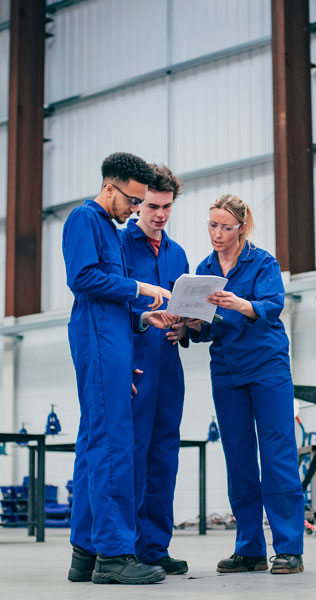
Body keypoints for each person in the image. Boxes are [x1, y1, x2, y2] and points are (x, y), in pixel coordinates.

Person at [63, 152, 178, 585]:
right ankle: (113, 555)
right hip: (96, 341)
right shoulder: (85, 219)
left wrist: (141, 317)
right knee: (113, 443)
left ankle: (85, 553)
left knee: (96, 444)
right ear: (111, 187)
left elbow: (109, 305)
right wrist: (139, 286)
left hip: (112, 338)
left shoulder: (108, 229)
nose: (135, 210)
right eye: (132, 200)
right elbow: (84, 279)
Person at [187, 193, 305, 575]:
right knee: (238, 457)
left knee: (277, 453)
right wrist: (190, 325)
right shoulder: (203, 270)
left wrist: (240, 303)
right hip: (226, 370)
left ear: (241, 227)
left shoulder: (262, 262)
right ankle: (249, 547)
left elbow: (272, 306)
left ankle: (288, 548)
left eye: (225, 227)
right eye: (212, 225)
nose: (217, 233)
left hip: (267, 367)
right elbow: (206, 327)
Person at [120, 164, 189, 575]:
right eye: (152, 206)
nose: (159, 214)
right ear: (137, 203)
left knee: (164, 454)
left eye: (167, 207)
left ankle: (155, 547)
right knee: (133, 454)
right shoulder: (120, 245)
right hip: (135, 359)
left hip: (168, 361)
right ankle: (123, 547)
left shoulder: (178, 252)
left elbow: (182, 304)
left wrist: (184, 326)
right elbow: (112, 303)